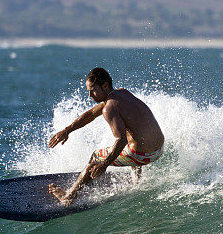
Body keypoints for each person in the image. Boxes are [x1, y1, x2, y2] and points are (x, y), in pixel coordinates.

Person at [48, 67, 164, 206]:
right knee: (133, 139)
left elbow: (121, 140)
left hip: (142, 155)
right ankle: (136, 182)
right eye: (88, 91)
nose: (90, 95)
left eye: (93, 90)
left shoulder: (110, 107)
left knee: (96, 157)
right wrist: (67, 130)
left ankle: (68, 197)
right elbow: (91, 114)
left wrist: (104, 164)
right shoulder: (122, 93)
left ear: (105, 85)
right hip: (158, 150)